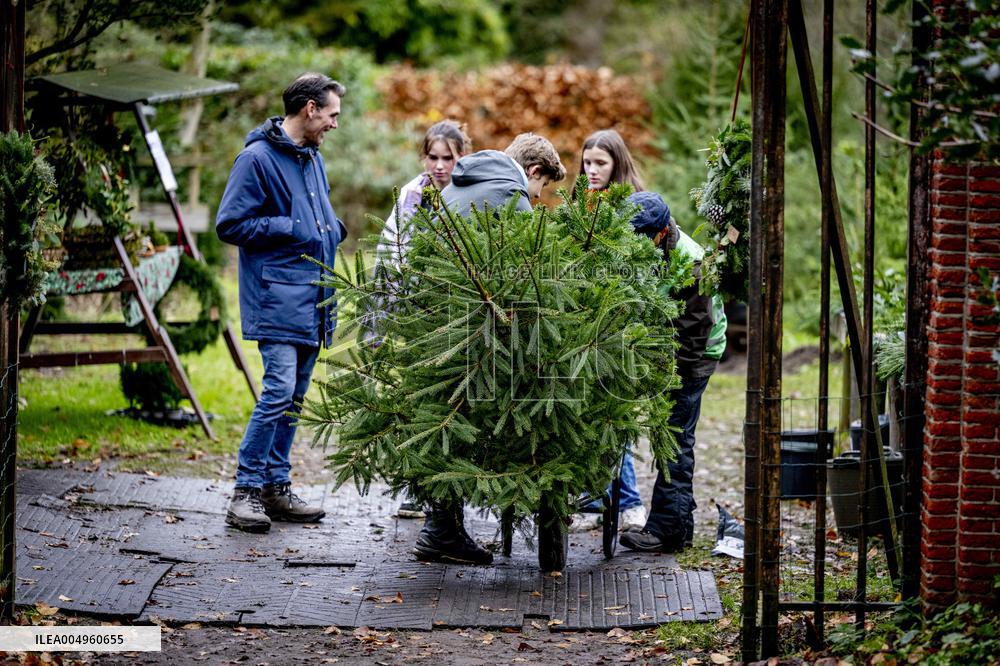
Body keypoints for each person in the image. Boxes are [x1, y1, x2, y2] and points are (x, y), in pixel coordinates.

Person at [413, 132, 566, 565]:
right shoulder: (510, 191)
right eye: (542, 191)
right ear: (534, 172)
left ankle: (440, 527)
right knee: (464, 414)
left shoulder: (468, 180)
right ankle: (441, 532)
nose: (538, 200)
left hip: (439, 313)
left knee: (448, 413)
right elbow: (521, 268)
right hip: (466, 324)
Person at [216, 73, 348, 533]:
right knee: (276, 392)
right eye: (331, 114)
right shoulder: (256, 159)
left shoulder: (312, 158)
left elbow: (315, 215)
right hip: (276, 298)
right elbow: (231, 224)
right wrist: (290, 227)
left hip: (314, 297)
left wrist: (332, 228)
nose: (335, 123)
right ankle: (245, 493)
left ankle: (275, 487)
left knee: (293, 401)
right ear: (310, 109)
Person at [375, 120, 474, 518]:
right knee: (420, 402)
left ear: (461, 157)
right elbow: (390, 252)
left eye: (447, 158)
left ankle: (454, 487)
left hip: (459, 313)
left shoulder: (470, 195)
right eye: (432, 157)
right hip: (417, 312)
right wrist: (383, 318)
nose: (438, 165)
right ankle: (419, 488)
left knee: (455, 401)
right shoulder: (412, 197)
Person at [619, 191, 727, 553]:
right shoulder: (648, 247)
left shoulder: (692, 264)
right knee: (676, 437)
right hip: (670, 349)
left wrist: (664, 372)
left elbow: (694, 333)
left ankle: (666, 530)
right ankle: (681, 523)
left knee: (674, 436)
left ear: (662, 233)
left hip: (694, 355)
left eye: (643, 240)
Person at [569, 129, 649, 533]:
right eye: (587, 163)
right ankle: (592, 501)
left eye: (600, 163)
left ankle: (629, 501)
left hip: (617, 327)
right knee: (583, 416)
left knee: (613, 416)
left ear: (617, 163)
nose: (592, 170)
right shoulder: (580, 204)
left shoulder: (634, 207)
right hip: (580, 325)